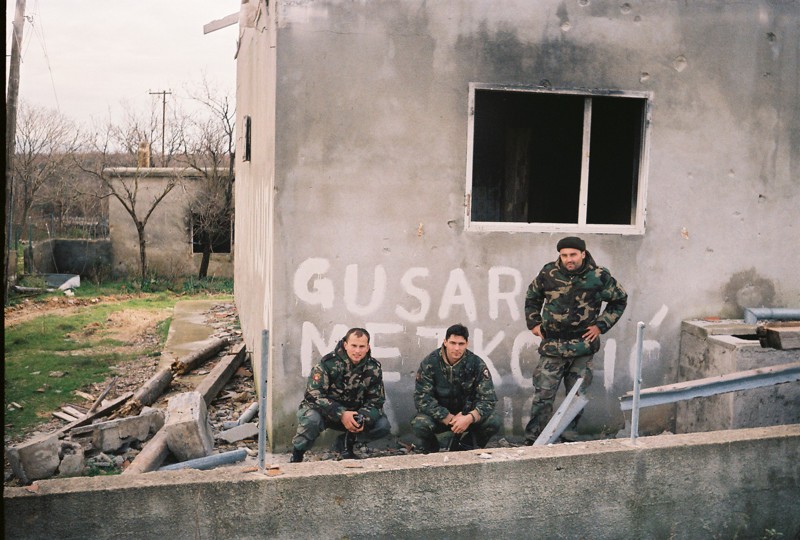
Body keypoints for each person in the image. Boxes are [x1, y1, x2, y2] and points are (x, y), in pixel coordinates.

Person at [524, 236, 627, 445]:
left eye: (573, 255)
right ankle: (534, 442)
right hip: (553, 348)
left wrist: (600, 325)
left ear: (583, 254)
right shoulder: (548, 273)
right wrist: (534, 324)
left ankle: (567, 441)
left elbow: (619, 300)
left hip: (582, 349)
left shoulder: (598, 276)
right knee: (543, 397)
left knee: (575, 398)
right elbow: (532, 297)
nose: (568, 259)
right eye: (564, 255)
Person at [289, 327, 391, 462]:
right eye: (353, 346)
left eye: (361, 347)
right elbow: (313, 395)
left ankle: (346, 443)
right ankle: (297, 455)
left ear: (367, 348)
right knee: (312, 419)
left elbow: (376, 400)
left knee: (382, 425)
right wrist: (342, 413)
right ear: (345, 345)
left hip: (354, 414)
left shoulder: (373, 368)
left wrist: (362, 417)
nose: (357, 351)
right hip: (327, 413)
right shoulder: (328, 364)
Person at [411, 324, 501, 453]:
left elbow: (488, 400)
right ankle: (432, 451)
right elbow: (422, 398)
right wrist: (448, 418)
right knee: (419, 424)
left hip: (467, 417)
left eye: (461, 344)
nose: (457, 348)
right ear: (445, 342)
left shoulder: (476, 364)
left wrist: (469, 418)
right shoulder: (430, 363)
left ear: (467, 344)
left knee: (494, 421)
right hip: (441, 418)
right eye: (453, 343)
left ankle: (466, 447)